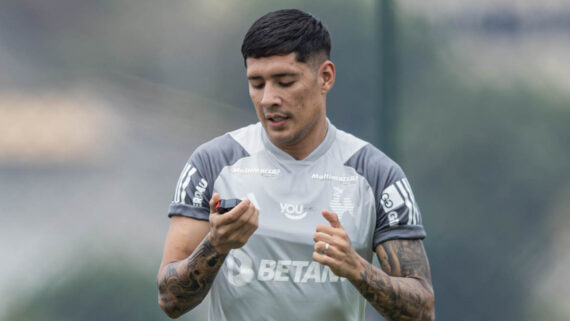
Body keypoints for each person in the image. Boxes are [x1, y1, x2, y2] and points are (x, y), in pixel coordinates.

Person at [157, 8, 434, 321]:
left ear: (325, 77)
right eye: (257, 83)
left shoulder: (376, 174)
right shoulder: (213, 163)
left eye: (284, 82)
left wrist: (357, 268)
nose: (268, 99)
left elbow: (422, 310)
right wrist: (216, 245)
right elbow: (170, 300)